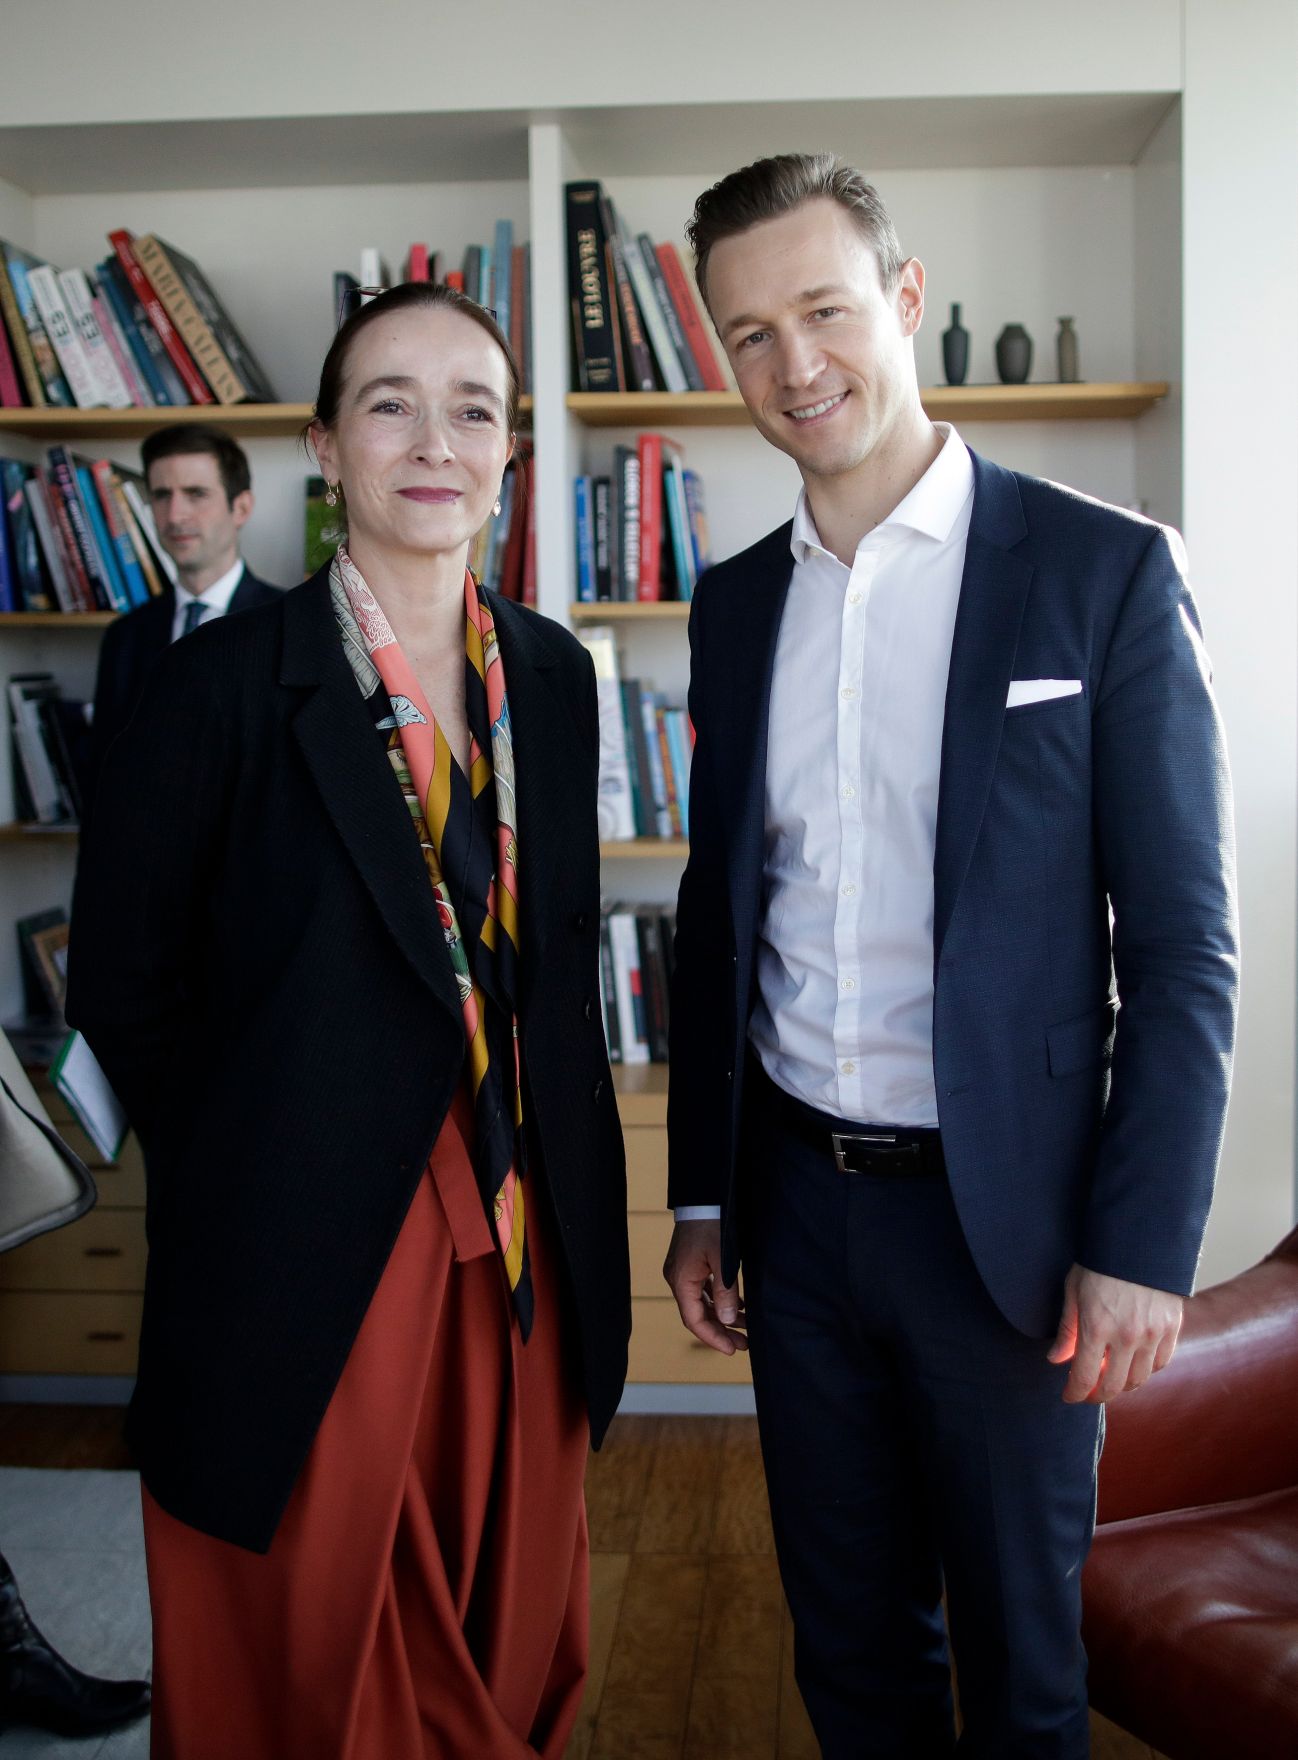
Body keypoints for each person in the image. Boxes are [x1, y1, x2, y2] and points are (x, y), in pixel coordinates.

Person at [663, 154, 1237, 1759]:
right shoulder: (728, 611)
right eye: (750, 331)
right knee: (848, 1653)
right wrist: (704, 1195)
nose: (794, 366)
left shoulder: (1101, 571)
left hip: (1014, 1236)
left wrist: (1141, 1237)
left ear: (906, 302)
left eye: (826, 311)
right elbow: (719, 915)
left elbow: (1186, 946)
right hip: (790, 1213)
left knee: (1023, 1676)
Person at [66, 282, 630, 1760]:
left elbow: (550, 964)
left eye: (473, 409)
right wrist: (254, 1158)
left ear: (509, 454)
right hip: (308, 1242)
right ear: (323, 445)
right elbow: (121, 979)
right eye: (389, 402)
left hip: (525, 1229)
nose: (432, 440)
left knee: (509, 1617)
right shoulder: (207, 691)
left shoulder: (557, 680)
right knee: (315, 1648)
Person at [85, 423, 282, 805]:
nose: (175, 515)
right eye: (161, 495)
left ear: (240, 507)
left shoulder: (292, 623)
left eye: (195, 494)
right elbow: (101, 779)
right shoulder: (125, 636)